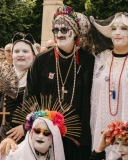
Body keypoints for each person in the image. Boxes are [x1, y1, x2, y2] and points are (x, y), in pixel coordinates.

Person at [25, 5, 94, 159]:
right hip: (47, 134)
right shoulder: (41, 61)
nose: (59, 34)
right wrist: (35, 126)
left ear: (75, 32)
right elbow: (30, 96)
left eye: (64, 30)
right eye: (56, 30)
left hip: (78, 139)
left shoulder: (89, 62)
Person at [90, 11, 128, 158]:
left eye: (123, 28)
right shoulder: (99, 59)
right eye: (114, 28)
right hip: (101, 122)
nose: (117, 32)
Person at [0, 32, 36, 143]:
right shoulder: (5, 73)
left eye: (25, 51)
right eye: (16, 51)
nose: (20, 54)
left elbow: (43, 108)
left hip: (19, 137)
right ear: (12, 55)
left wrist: (26, 127)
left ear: (33, 55)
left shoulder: (37, 77)